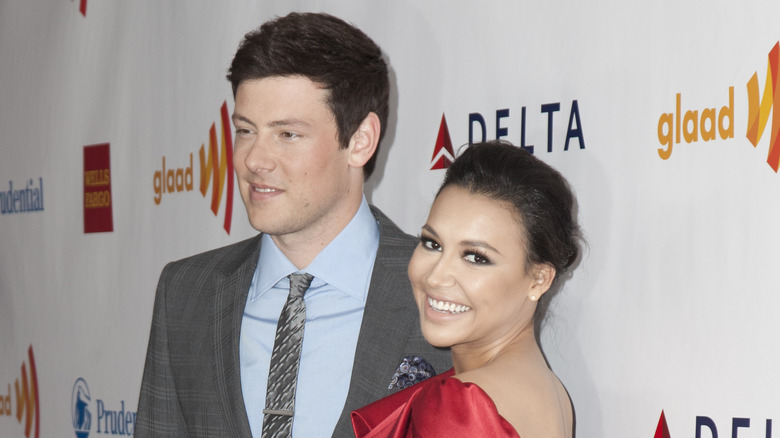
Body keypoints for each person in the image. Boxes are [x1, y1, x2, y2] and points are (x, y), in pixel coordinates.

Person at [135, 12, 450, 438]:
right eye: (245, 130)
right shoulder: (186, 293)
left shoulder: (445, 291)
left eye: (287, 135)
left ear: (360, 141)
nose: (253, 160)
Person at [352, 141, 581, 438]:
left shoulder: (466, 406)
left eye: (476, 257)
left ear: (539, 279)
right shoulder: (546, 391)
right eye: (432, 244)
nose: (436, 277)